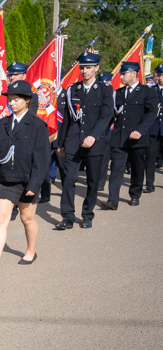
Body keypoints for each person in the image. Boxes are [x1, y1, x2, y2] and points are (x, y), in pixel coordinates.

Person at [0, 81, 50, 273]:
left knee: (27, 219)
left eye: (16, 99)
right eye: (9, 100)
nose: (11, 103)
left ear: (27, 100)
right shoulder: (1, 124)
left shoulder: (37, 126)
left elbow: (42, 159)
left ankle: (31, 250)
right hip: (4, 179)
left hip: (27, 180)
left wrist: (35, 185)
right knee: (0, 219)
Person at [55, 52, 114, 230]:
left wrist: (93, 136)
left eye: (88, 67)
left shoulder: (105, 90)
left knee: (92, 181)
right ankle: (67, 216)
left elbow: (106, 116)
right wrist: (61, 143)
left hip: (94, 142)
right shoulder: (73, 89)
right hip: (73, 141)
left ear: (96, 68)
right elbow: (67, 118)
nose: (85, 71)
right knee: (68, 179)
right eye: (82, 67)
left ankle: (87, 215)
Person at [100, 61, 157, 209]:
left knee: (137, 168)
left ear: (134, 74)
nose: (122, 77)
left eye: (124, 74)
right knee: (116, 169)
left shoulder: (147, 92)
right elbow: (111, 115)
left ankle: (135, 194)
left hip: (137, 139)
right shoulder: (118, 93)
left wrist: (140, 130)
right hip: (119, 137)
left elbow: (152, 113)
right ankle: (113, 199)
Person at [144, 64, 163, 192]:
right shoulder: (151, 90)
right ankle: (149, 184)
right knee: (150, 157)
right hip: (153, 128)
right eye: (160, 75)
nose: (161, 78)